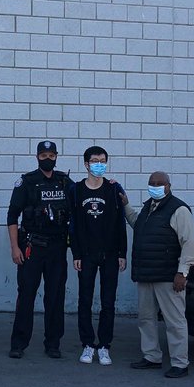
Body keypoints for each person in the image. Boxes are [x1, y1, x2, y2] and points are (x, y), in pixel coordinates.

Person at [124, 171, 194, 378]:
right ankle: (151, 357)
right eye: (152, 183)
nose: (155, 186)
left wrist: (182, 272)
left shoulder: (179, 209)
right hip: (147, 274)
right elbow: (137, 224)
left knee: (174, 321)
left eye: (160, 183)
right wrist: (125, 205)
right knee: (146, 318)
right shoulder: (149, 207)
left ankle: (180, 363)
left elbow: (189, 244)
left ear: (168, 186)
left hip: (168, 276)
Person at [7, 140, 72, 359]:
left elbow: (80, 202)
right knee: (26, 295)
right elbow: (12, 216)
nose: (47, 159)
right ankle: (18, 344)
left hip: (57, 248)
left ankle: (53, 344)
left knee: (55, 297)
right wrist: (15, 247)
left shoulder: (64, 181)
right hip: (31, 248)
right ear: (37, 157)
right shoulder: (27, 182)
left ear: (56, 156)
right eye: (43, 155)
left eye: (51, 155)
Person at [70, 146, 127, 366]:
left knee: (108, 302)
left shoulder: (113, 189)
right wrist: (76, 252)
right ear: (86, 164)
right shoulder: (76, 190)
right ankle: (87, 344)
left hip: (111, 254)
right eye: (95, 161)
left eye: (102, 160)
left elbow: (120, 222)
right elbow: (73, 225)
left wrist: (122, 252)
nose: (99, 164)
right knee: (84, 300)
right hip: (86, 254)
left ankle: (104, 346)